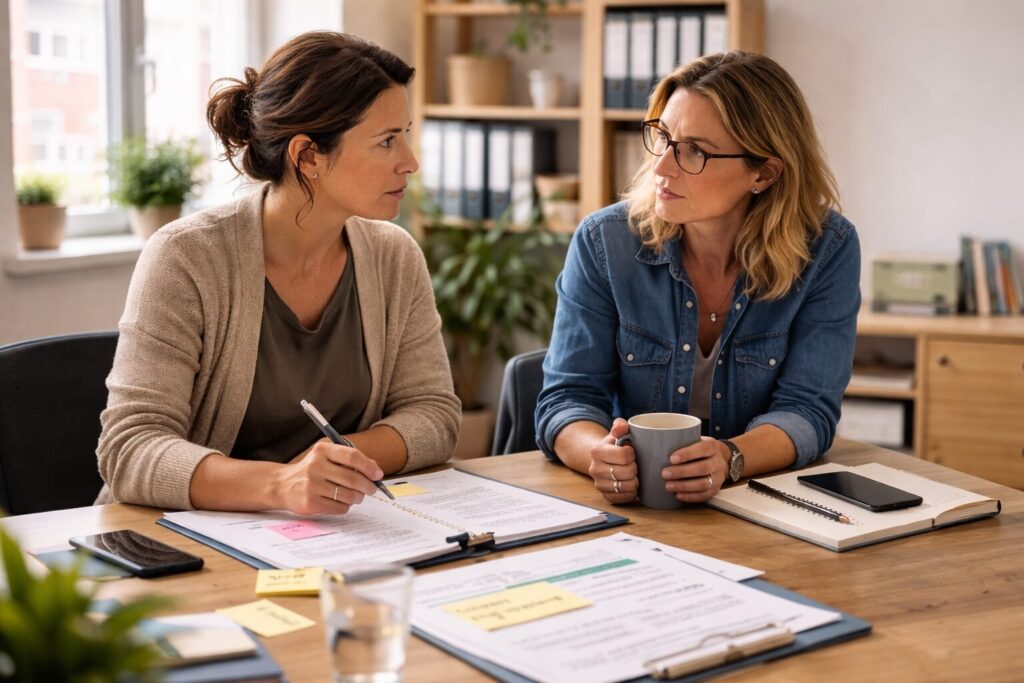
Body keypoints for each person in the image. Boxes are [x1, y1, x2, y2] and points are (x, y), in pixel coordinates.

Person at [95, 32, 460, 515]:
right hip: (187, 541)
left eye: (406, 134)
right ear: (308, 156)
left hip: (335, 534)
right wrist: (281, 484)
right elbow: (129, 449)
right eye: (386, 141)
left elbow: (434, 414)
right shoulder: (186, 257)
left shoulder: (394, 256)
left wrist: (339, 457)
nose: (409, 163)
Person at [535, 50, 860, 505]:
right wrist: (598, 454)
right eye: (663, 138)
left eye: (694, 151)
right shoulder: (605, 242)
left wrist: (730, 457)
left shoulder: (827, 249)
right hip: (634, 506)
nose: (662, 167)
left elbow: (808, 410)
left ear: (764, 173)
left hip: (758, 507)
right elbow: (567, 399)